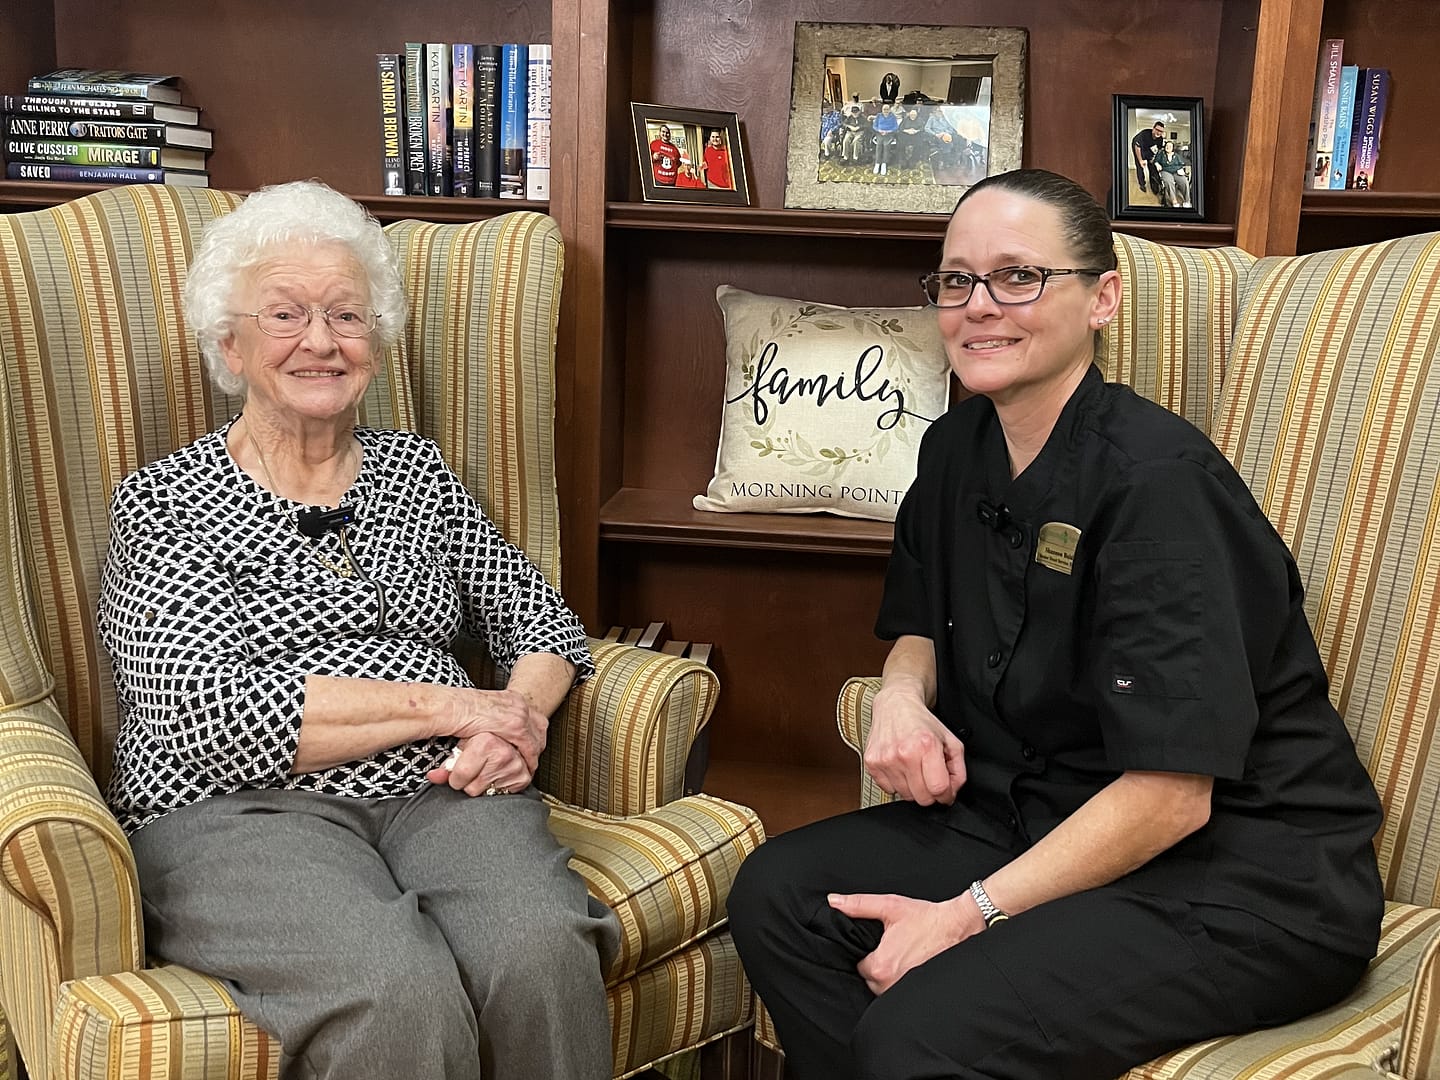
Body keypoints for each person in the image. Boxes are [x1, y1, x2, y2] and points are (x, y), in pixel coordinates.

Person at [728, 168, 1384, 1080]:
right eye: (956, 281)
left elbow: (1171, 795)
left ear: (1101, 298)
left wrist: (961, 917)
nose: (979, 306)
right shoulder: (953, 447)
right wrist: (902, 701)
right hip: (1036, 812)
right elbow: (917, 619)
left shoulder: (1158, 485)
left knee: (916, 1029)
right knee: (777, 896)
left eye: (1019, 277)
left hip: (1236, 877)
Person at [100, 180, 620, 1080]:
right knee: (393, 990)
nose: (321, 340)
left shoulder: (417, 474)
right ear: (229, 343)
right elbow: (214, 718)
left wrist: (524, 717)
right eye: (286, 314)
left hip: (437, 791)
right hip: (236, 816)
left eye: (347, 314)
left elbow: (540, 624)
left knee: (537, 953)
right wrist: (456, 706)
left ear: (374, 341)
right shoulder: (164, 503)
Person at [1131, 119, 1165, 194]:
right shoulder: (1144, 134)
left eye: (1161, 131)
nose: (1158, 132)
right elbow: (1137, 147)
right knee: (1140, 166)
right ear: (1153, 128)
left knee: (1152, 165)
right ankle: (1142, 184)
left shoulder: (1160, 139)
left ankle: (1154, 183)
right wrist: (1140, 160)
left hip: (1149, 149)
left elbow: (1158, 150)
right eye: (1157, 130)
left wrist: (1154, 159)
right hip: (1139, 148)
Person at [1155, 139, 1191, 206]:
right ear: (1165, 147)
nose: (1168, 147)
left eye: (1170, 146)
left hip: (1176, 172)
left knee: (1184, 182)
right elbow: (1156, 161)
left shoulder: (1176, 155)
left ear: (1172, 148)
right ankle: (1174, 201)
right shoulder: (1161, 154)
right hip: (1165, 171)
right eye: (1167, 146)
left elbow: (1181, 164)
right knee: (1169, 182)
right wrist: (1157, 164)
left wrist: (1181, 169)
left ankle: (1187, 201)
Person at [870, 102, 899, 176]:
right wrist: (879, 130)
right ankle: (877, 163)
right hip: (880, 133)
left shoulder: (893, 116)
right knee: (879, 145)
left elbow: (896, 127)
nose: (886, 111)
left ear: (890, 110)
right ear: (882, 110)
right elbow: (874, 126)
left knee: (886, 145)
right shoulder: (878, 116)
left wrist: (889, 131)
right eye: (884, 109)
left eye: (887, 109)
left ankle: (884, 164)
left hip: (889, 134)